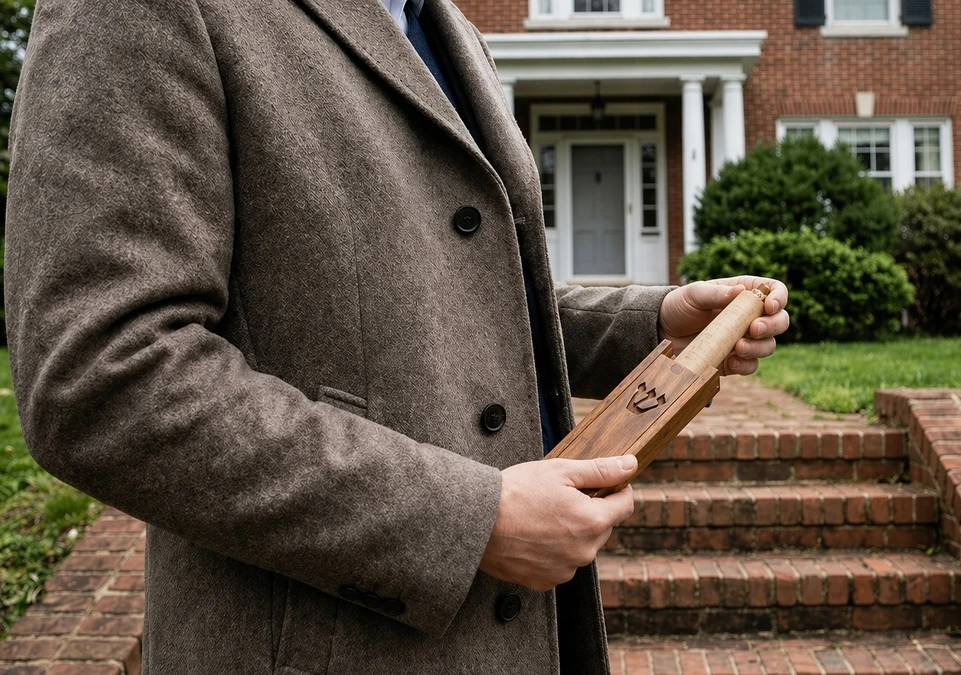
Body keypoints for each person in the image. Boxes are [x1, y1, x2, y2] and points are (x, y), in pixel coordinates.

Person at [4, 0, 789, 672]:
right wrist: (466, 520)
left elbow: (448, 286)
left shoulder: (442, 27)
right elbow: (103, 375)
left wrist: (651, 319)